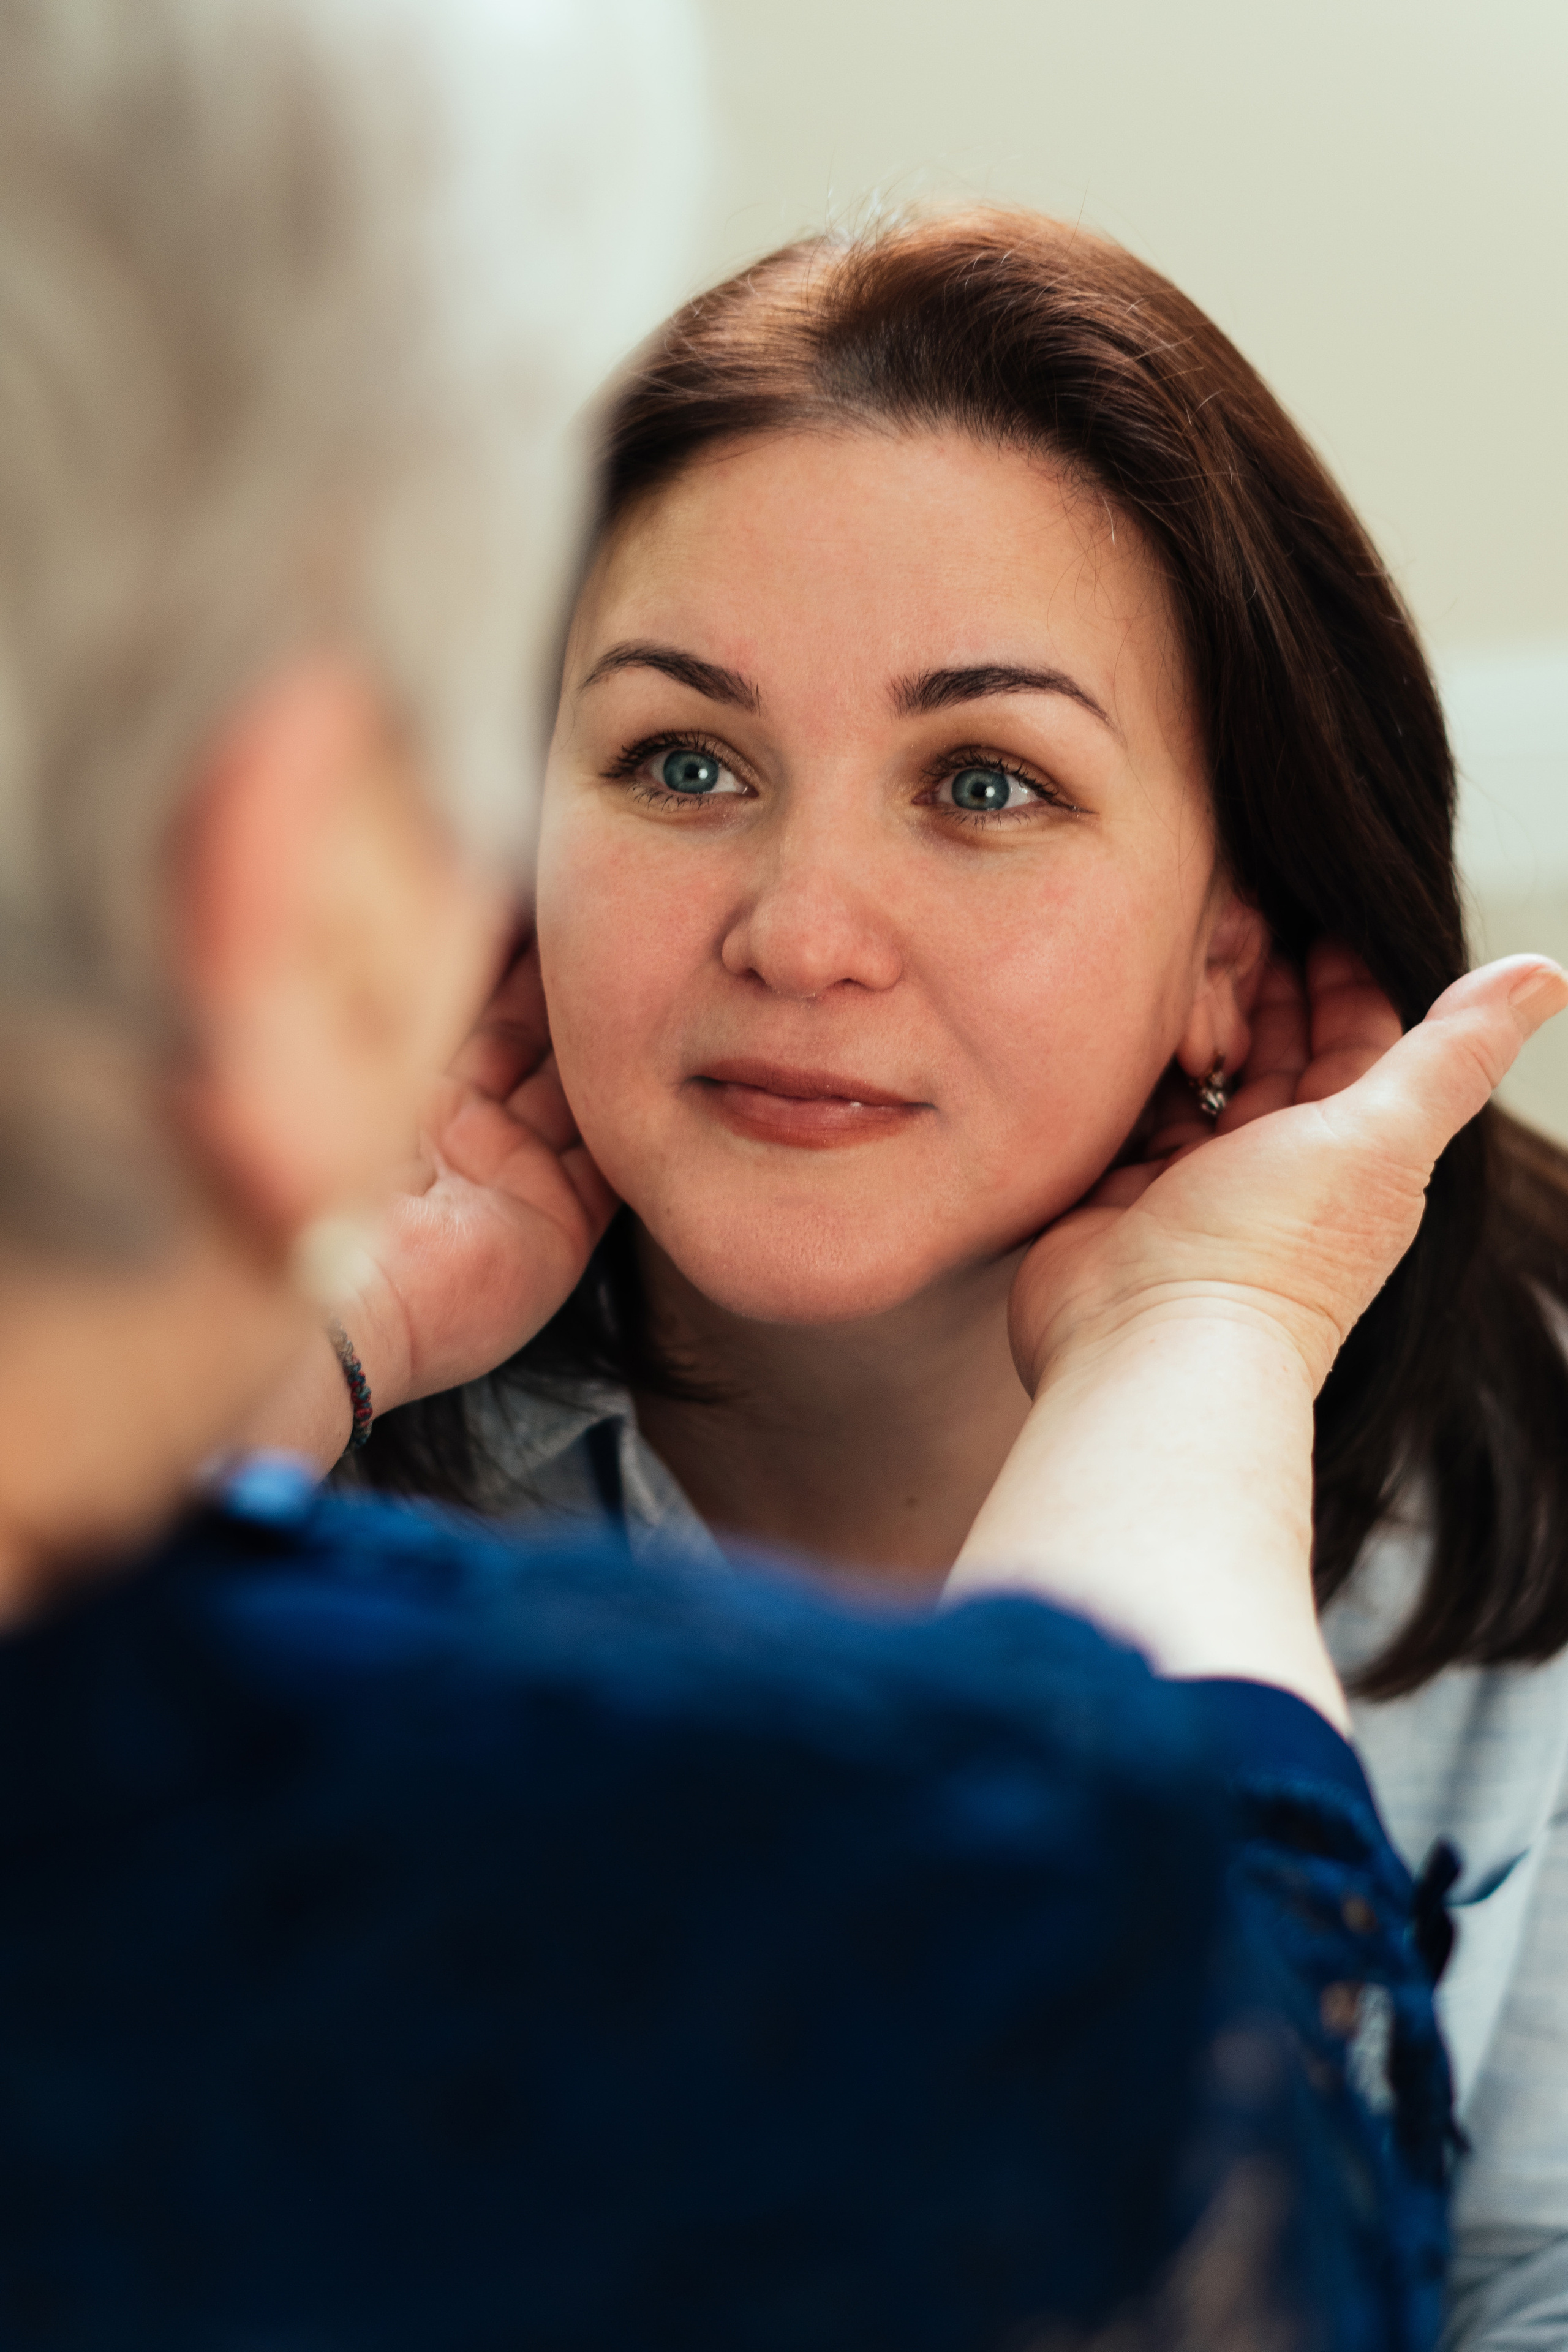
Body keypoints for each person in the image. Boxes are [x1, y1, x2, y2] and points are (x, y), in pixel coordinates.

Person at [0, 10, 1557, 2343]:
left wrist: (1198, 1357)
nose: (798, 935)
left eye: (989, 786)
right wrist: (322, 1331)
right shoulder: (303, 1456)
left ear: (1228, 954)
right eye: (683, 760)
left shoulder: (1519, 1477)